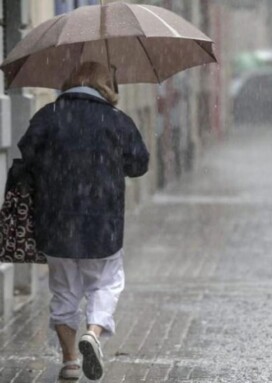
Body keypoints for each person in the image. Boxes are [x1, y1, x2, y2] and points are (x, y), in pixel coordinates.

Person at [17, 61, 150, 380]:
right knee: (107, 283)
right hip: (102, 224)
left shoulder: (47, 116)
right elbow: (139, 164)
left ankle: (70, 361)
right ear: (106, 86)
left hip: (56, 222)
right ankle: (93, 331)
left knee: (64, 292)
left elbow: (27, 157)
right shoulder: (117, 120)